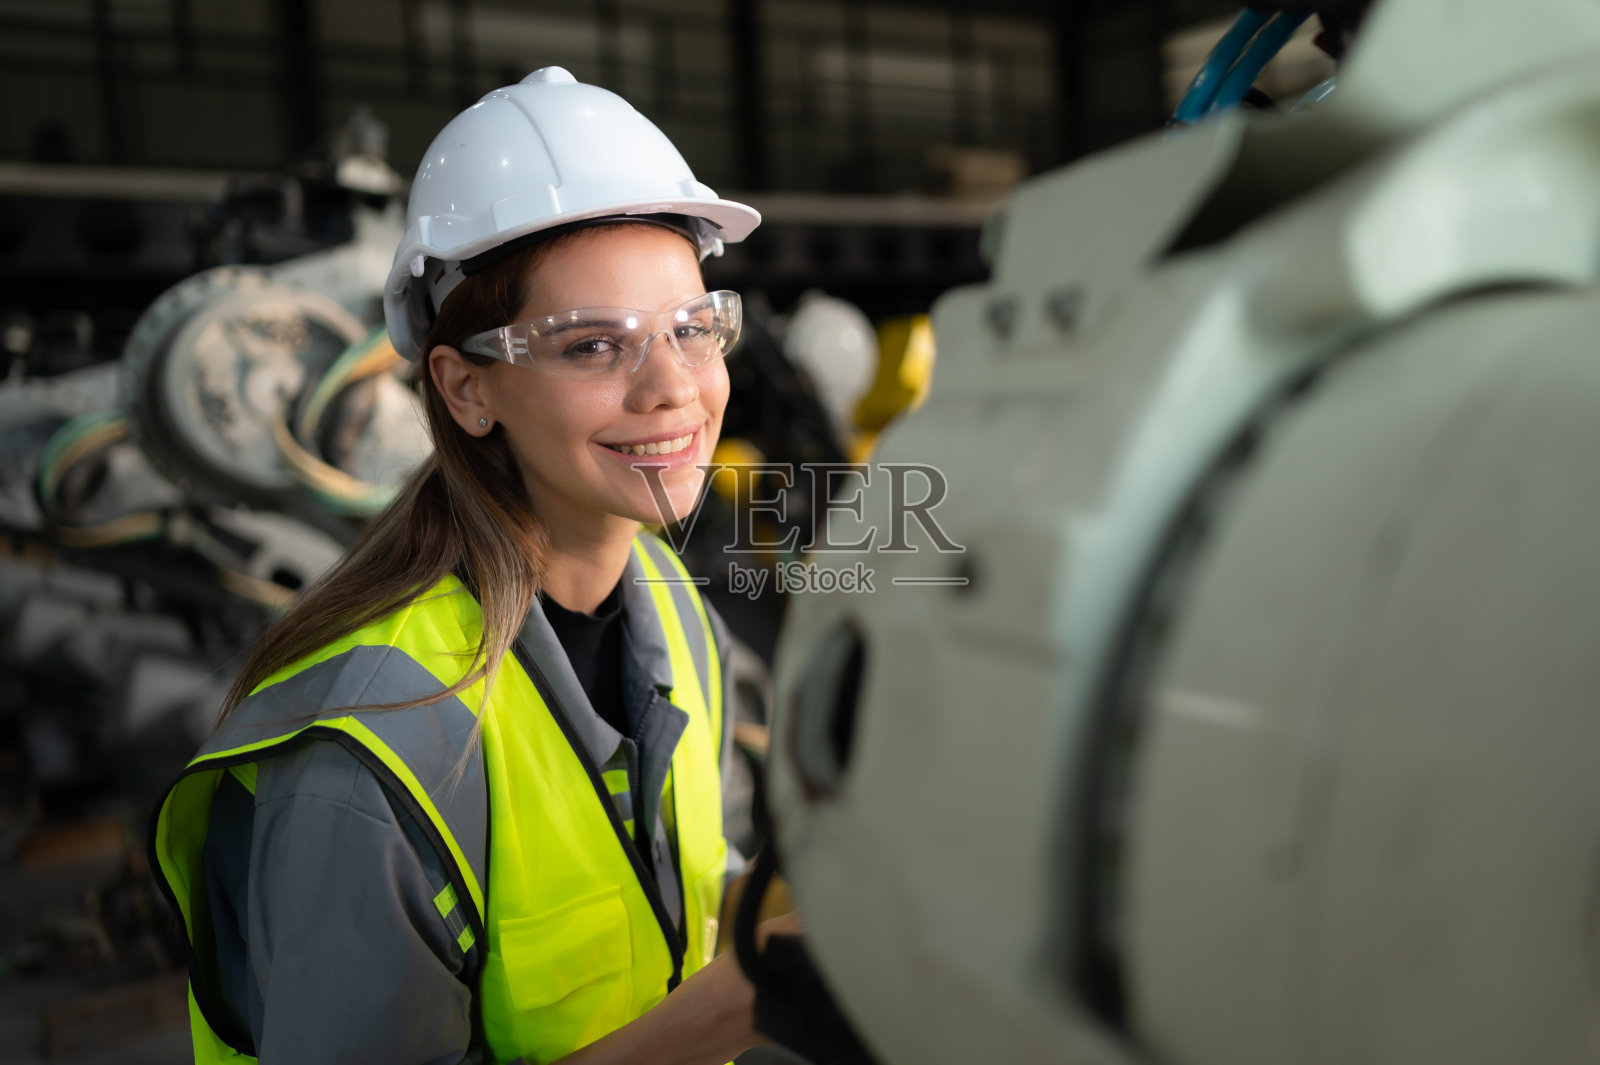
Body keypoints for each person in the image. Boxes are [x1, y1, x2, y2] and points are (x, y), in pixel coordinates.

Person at [150, 67, 794, 1065]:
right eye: (592, 346)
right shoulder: (364, 763)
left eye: (691, 327)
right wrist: (727, 1011)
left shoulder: (671, 612)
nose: (674, 388)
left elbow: (692, 879)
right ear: (465, 389)